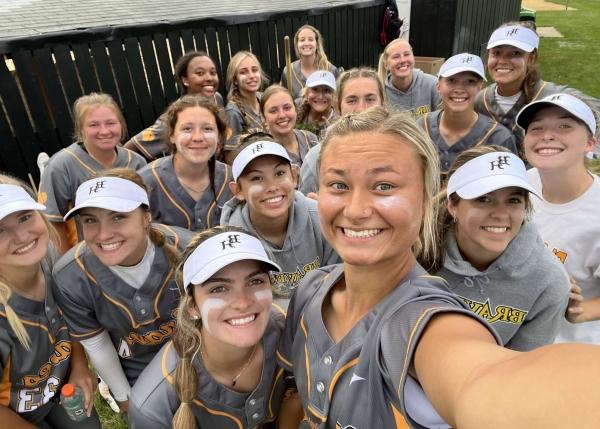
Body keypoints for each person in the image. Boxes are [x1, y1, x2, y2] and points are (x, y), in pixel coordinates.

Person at [278, 106, 600, 428]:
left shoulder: (426, 323)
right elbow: (294, 393)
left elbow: (486, 379)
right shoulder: (311, 289)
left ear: (424, 199)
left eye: (384, 186)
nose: (357, 209)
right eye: (338, 185)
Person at [52, 170, 192, 412]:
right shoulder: (70, 275)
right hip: (137, 364)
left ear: (145, 217)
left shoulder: (188, 248)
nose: (104, 234)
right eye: (90, 220)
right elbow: (98, 345)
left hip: (195, 352)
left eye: (118, 217)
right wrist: (125, 399)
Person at [129, 226, 290, 428]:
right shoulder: (153, 406)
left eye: (255, 281)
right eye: (219, 288)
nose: (242, 302)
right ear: (193, 306)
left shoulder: (290, 330)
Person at [424, 147, 569, 350]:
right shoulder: (416, 247)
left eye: (513, 200)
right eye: (484, 198)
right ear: (453, 205)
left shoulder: (548, 282)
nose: (501, 214)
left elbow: (523, 367)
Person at [0, 176, 101, 428]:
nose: (22, 236)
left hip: (58, 390)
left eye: (25, 217)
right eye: (0, 230)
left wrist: (79, 365)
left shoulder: (49, 258)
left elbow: (71, 318)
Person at [517, 93, 600, 344]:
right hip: (514, 335)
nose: (547, 135)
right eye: (537, 128)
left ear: (590, 143)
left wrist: (582, 310)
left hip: (571, 351)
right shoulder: (518, 185)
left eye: (564, 126)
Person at [220, 137, 339, 308]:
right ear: (238, 190)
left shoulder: (320, 217)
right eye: (256, 178)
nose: (272, 186)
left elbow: (339, 283)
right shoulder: (231, 241)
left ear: (294, 176)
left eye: (279, 173)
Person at [39, 93, 147, 253]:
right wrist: (67, 261)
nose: (104, 131)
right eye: (93, 125)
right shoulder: (62, 165)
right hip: (87, 252)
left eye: (111, 123)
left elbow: (145, 212)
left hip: (129, 246)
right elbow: (53, 222)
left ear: (121, 125)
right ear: (81, 129)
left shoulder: (137, 162)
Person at [475, 22, 600, 154]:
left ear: (531, 58)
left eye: (515, 53)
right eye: (496, 53)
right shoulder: (480, 101)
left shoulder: (556, 97)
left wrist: (587, 154)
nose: (502, 60)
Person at [138, 95, 232, 231]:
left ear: (219, 136)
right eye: (187, 129)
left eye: (207, 129)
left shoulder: (232, 179)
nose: (198, 137)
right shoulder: (146, 183)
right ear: (172, 135)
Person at [417, 53, 516, 174]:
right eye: (452, 80)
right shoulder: (421, 128)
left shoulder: (498, 138)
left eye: (470, 81)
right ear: (438, 86)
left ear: (480, 87)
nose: (459, 89)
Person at [125, 51, 224, 162]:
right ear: (185, 80)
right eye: (200, 73)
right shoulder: (173, 117)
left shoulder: (217, 99)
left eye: (213, 73)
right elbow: (130, 149)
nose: (209, 78)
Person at [299, 67, 385, 195]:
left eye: (370, 99)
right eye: (352, 100)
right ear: (339, 107)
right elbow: (305, 209)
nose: (361, 108)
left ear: (382, 104)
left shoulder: (403, 151)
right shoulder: (316, 158)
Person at [377, 38, 440, 118]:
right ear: (386, 65)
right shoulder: (380, 91)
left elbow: (441, 120)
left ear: (413, 58)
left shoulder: (433, 84)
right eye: (396, 57)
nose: (402, 60)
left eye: (407, 54)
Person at [260, 84, 319, 167]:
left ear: (295, 110)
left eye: (287, 108)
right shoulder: (263, 154)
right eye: (273, 111)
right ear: (263, 118)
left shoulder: (311, 139)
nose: (282, 115)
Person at [280, 24, 339, 99]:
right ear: (297, 45)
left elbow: (338, 100)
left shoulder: (331, 70)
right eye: (302, 40)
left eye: (310, 39)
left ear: (317, 44)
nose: (306, 43)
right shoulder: (288, 71)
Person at [224, 51, 266, 143]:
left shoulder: (265, 98)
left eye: (254, 70)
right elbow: (230, 153)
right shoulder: (233, 112)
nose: (251, 76)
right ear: (235, 80)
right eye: (243, 72)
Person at [296, 71, 338, 140]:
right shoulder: (295, 110)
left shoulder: (339, 123)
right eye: (315, 89)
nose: (320, 96)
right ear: (306, 93)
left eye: (327, 90)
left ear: (333, 95)